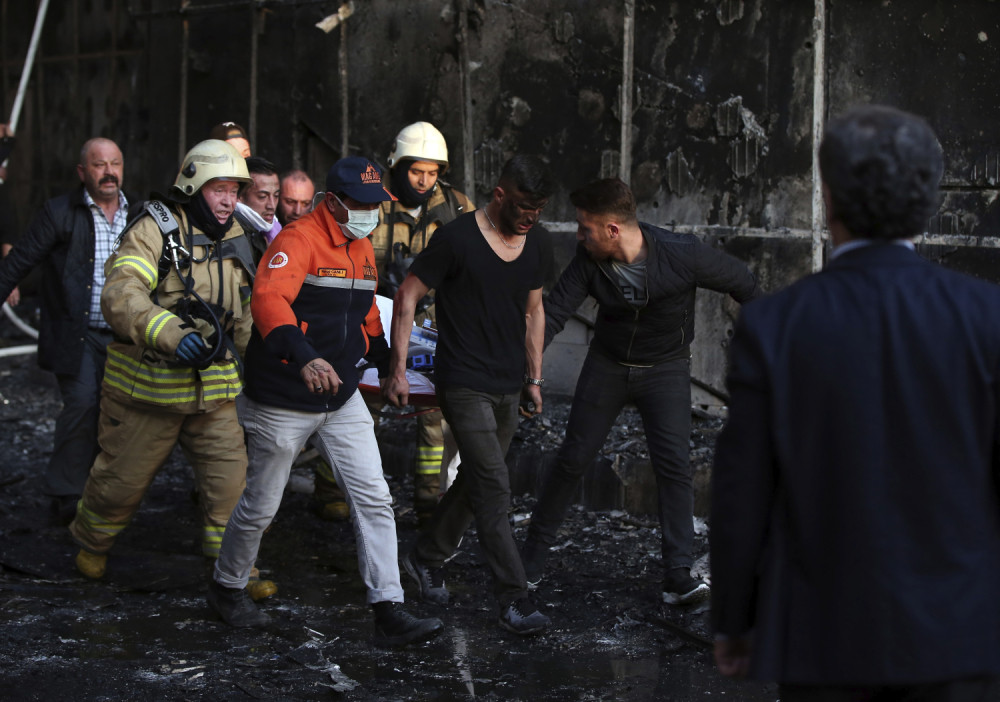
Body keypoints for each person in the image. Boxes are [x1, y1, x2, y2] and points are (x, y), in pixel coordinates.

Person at [711, 105, 1000, 700]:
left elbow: (743, 494)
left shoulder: (775, 325)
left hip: (823, 640)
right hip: (961, 637)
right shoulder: (986, 318)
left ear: (829, 198)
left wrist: (735, 621)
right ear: (927, 201)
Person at [208, 156, 443, 647]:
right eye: (361, 204)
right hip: (283, 399)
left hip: (341, 397)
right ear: (332, 202)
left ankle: (388, 607)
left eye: (376, 204)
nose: (370, 212)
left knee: (375, 498)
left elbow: (366, 320)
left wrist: (390, 367)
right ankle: (227, 588)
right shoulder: (296, 241)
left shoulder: (361, 248)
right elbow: (269, 302)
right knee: (261, 504)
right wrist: (307, 358)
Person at [520, 177, 760, 605]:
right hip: (607, 367)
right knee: (573, 458)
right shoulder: (588, 260)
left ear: (613, 230)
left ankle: (678, 576)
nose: (579, 236)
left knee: (674, 466)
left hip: (666, 369)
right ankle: (528, 564)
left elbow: (743, 281)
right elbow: (553, 313)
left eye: (585, 228)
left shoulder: (681, 254)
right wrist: (527, 375)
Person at [69, 140, 259, 584]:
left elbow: (246, 313)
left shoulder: (237, 237)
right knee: (118, 484)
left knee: (232, 487)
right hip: (147, 393)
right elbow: (121, 294)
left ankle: (235, 572)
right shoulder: (155, 230)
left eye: (234, 189)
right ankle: (91, 544)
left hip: (213, 394)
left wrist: (263, 368)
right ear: (193, 186)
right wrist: (172, 335)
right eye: (219, 189)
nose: (229, 200)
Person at [385, 154, 554, 635]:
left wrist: (534, 377)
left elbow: (535, 311)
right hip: (461, 380)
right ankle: (514, 599)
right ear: (499, 195)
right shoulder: (456, 238)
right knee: (495, 488)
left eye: (538, 209)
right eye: (523, 206)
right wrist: (398, 369)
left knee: (480, 480)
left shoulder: (537, 242)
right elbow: (408, 295)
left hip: (507, 382)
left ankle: (424, 554)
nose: (530, 217)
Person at [312, 121, 474, 524]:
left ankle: (427, 500)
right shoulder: (373, 202)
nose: (423, 181)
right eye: (416, 171)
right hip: (375, 318)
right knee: (357, 404)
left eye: (432, 173)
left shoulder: (456, 208)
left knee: (433, 412)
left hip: (433, 323)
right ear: (397, 166)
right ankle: (331, 489)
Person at [0, 137, 131, 523]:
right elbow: (20, 259)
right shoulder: (59, 212)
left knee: (119, 413)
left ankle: (104, 493)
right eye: (98, 165)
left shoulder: (140, 213)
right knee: (83, 403)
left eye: (115, 164)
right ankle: (66, 492)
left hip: (126, 337)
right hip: (76, 333)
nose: (108, 172)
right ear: (82, 172)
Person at [238, 156, 281, 261]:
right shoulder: (231, 237)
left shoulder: (277, 231)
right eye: (262, 196)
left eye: (276, 196)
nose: (271, 205)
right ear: (239, 196)